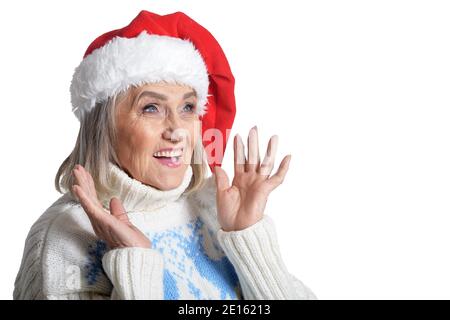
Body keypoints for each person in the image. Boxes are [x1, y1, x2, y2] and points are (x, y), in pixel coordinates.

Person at [13, 10, 316, 300]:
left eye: (187, 108)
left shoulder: (216, 206)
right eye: (151, 108)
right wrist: (135, 263)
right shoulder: (65, 236)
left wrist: (248, 237)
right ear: (102, 127)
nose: (177, 131)